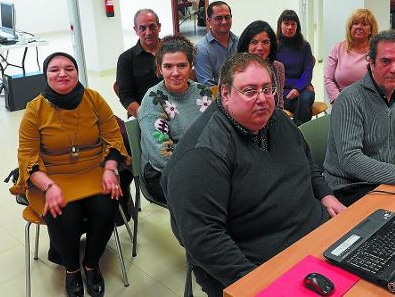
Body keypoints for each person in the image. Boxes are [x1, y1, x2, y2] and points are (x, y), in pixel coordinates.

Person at [162, 53, 346, 297]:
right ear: (225, 94)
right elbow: (204, 238)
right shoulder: (201, 155)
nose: (262, 99)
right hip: (262, 264)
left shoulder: (277, 119)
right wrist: (257, 284)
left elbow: (307, 161)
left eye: (267, 89)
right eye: (249, 91)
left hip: (317, 238)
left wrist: (325, 195)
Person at [11, 52, 129, 297]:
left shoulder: (93, 99)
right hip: (51, 177)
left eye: (69, 68)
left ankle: (91, 264)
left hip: (93, 170)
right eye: (54, 69)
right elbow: (27, 156)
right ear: (46, 75)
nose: (62, 73)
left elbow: (113, 137)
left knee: (106, 206)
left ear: (77, 73)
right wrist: (48, 186)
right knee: (63, 213)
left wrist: (109, 169)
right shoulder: (35, 109)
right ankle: (72, 269)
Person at [324, 30, 395, 207]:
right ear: (371, 63)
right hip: (350, 188)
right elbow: (350, 159)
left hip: (383, 182)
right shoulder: (349, 100)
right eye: (385, 61)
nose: (393, 69)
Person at [138, 35, 213, 204]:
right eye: (168, 66)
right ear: (159, 68)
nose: (176, 73)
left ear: (191, 66)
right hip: (162, 173)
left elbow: (217, 133)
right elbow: (161, 154)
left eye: (182, 65)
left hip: (203, 165)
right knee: (205, 197)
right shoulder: (154, 99)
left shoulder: (203, 92)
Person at [324, 9, 378, 104]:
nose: (359, 27)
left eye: (364, 24)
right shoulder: (338, 48)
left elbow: (381, 81)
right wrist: (339, 100)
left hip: (369, 103)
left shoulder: (376, 51)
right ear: (350, 27)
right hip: (341, 102)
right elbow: (328, 79)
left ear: (371, 30)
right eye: (355, 23)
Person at [116, 9, 162, 117]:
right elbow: (126, 97)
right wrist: (146, 117)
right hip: (142, 115)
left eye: (152, 27)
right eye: (142, 28)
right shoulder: (125, 59)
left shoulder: (172, 52)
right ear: (136, 30)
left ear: (159, 27)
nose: (148, 32)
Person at [276, 9, 315, 125]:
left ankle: (298, 133)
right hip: (282, 90)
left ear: (297, 26)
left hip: (302, 89)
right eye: (286, 23)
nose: (290, 27)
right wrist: (296, 86)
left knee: (305, 99)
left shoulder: (305, 46)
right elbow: (275, 74)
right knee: (302, 107)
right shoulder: (274, 46)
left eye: (293, 24)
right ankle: (301, 135)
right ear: (280, 25)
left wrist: (298, 89)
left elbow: (308, 71)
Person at [237, 20, 285, 108]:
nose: (260, 48)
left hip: (272, 117)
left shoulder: (278, 68)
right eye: (254, 42)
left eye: (265, 42)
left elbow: (280, 103)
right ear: (246, 45)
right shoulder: (234, 70)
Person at [195, 1, 238, 86]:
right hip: (217, 97)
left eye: (227, 17)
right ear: (208, 20)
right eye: (219, 18)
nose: (224, 22)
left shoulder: (239, 42)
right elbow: (207, 85)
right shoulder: (202, 49)